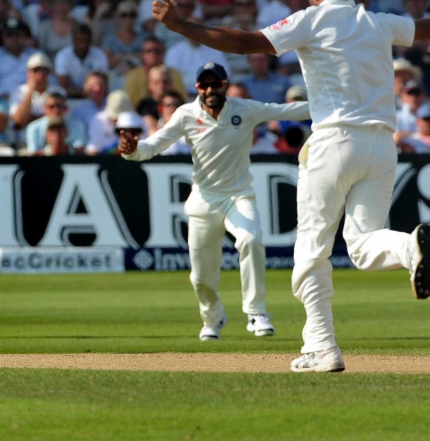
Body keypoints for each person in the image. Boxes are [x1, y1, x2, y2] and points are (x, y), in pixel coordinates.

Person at [150, 0, 430, 372]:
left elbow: (245, 43)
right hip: (381, 146)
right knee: (362, 244)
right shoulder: (378, 21)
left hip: (333, 144)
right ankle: (411, 246)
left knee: (310, 252)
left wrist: (183, 27)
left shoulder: (311, 18)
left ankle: (323, 348)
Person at [120, 62, 310, 340]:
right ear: (197, 88)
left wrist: (334, 101)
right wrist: (132, 150)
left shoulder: (244, 109)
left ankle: (256, 312)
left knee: (250, 239)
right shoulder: (186, 115)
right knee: (200, 276)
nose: (209, 89)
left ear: (225, 84)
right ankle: (213, 318)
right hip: (204, 200)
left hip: (238, 196)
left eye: (215, 84)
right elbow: (153, 145)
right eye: (203, 85)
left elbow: (287, 110)